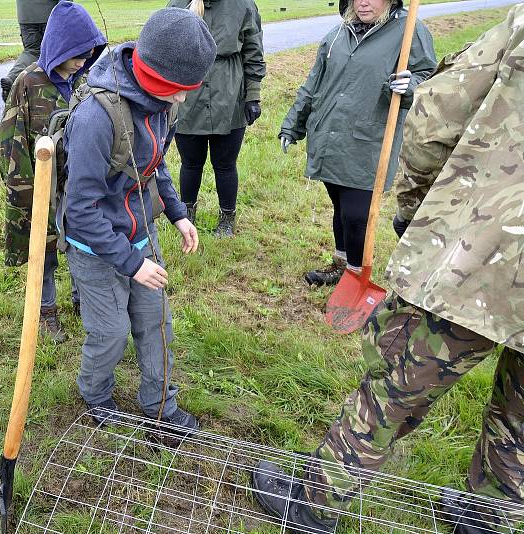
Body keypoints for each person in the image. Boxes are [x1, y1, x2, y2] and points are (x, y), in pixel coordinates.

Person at [251, 5, 524, 532]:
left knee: (396, 379)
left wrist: (417, 207)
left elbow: (437, 115)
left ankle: (316, 500)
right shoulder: (337, 34)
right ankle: (487, 516)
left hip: (486, 254)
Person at [62, 8, 215, 431]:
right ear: (152, 74)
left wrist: (177, 213)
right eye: (177, 89)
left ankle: (160, 408)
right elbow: (80, 210)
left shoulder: (160, 105)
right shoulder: (96, 118)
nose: (182, 99)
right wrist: (131, 263)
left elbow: (154, 164)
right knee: (110, 333)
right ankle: (96, 394)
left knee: (157, 325)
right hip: (95, 250)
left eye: (189, 89)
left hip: (142, 236)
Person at [280, 0, 435, 286]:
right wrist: (293, 124)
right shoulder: (337, 34)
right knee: (341, 207)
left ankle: (355, 276)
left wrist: (410, 85)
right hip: (328, 135)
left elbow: (430, 76)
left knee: (356, 214)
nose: (363, 2)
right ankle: (341, 264)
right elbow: (313, 83)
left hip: (368, 140)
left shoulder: (408, 30)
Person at [0, 0, 106, 342]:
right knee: (43, 252)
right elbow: (11, 142)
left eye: (87, 54)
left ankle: (81, 301)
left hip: (78, 185)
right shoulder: (28, 84)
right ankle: (45, 312)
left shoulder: (85, 82)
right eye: (75, 53)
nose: (82, 61)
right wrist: (25, 192)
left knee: (80, 244)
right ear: (57, 46)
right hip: (40, 186)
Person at [167, 0, 266, 237]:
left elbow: (253, 51)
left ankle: (227, 218)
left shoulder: (243, 5)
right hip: (188, 98)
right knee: (190, 163)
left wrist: (252, 95)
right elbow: (165, 51)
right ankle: (186, 214)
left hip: (229, 97)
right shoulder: (178, 5)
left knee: (225, 164)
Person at [0, 0, 61, 103]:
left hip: (25, 14)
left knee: (31, 51)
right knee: (58, 52)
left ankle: (13, 78)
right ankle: (54, 98)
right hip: (51, 13)